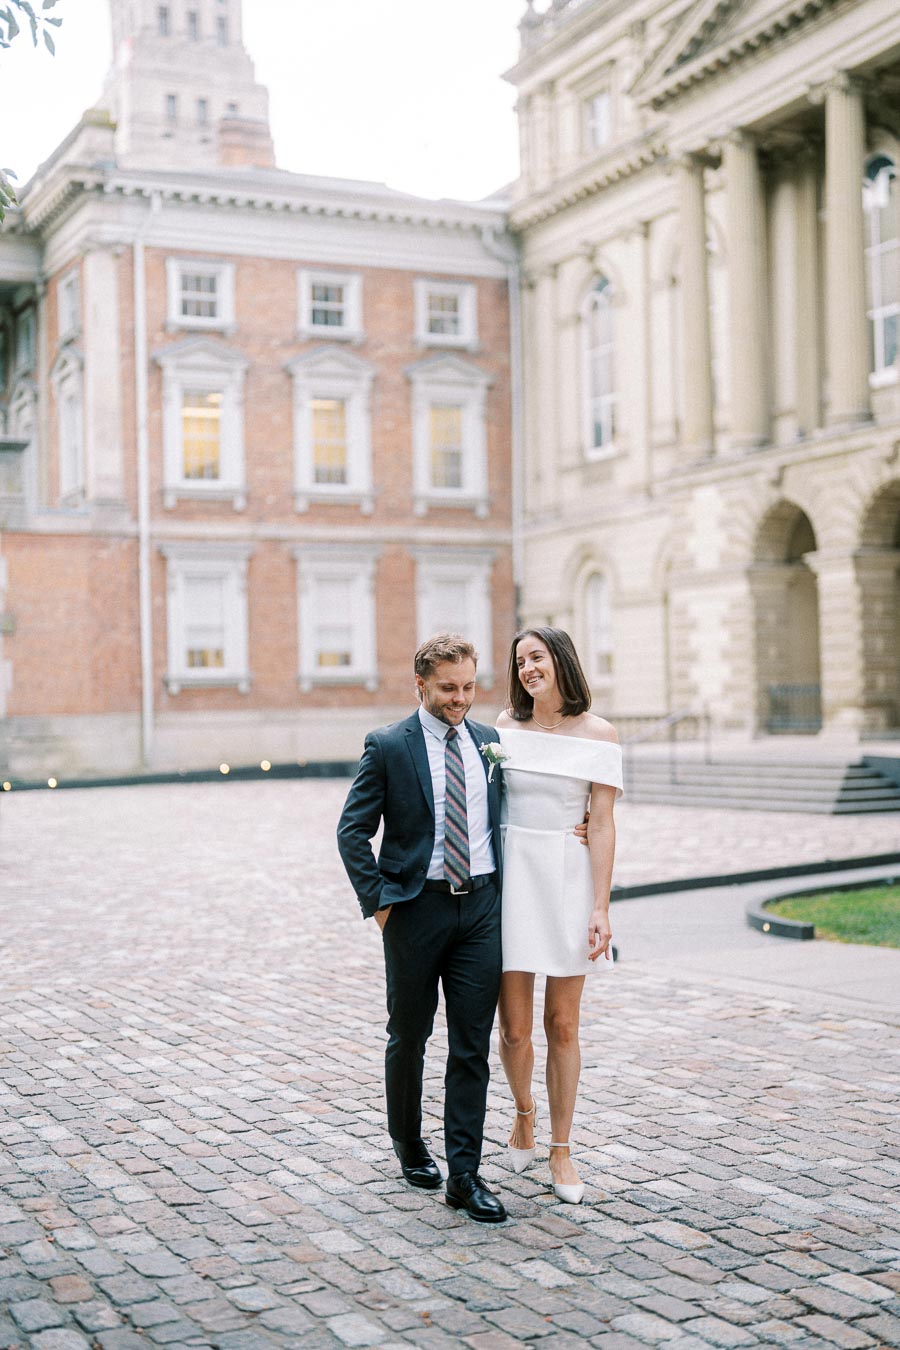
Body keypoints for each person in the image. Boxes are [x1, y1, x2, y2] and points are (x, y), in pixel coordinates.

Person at [336, 633, 507, 1223]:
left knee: (472, 1045)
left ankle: (465, 1175)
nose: (460, 699)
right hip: (416, 909)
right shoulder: (388, 745)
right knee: (409, 1035)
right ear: (421, 685)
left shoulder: (490, 742)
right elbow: (351, 832)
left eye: (468, 687)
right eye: (447, 689)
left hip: (481, 909)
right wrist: (382, 904)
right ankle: (408, 1142)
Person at [496, 626, 622, 1204]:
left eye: (537, 657)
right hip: (511, 877)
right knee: (515, 1027)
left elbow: (602, 822)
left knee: (563, 1024)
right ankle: (523, 1113)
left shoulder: (600, 734)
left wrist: (600, 905)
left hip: (568, 879)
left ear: (561, 661)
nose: (527, 668)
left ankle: (562, 1149)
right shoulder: (502, 728)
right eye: (520, 660)